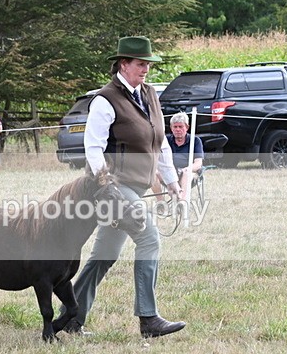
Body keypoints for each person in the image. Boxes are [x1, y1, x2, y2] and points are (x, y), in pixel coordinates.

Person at [59, 36, 186, 338]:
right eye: (141, 64)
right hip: (113, 188)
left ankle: (70, 317)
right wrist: (105, 185)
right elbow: (93, 147)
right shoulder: (105, 100)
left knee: (105, 253)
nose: (146, 69)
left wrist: (171, 183)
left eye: (148, 65)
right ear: (124, 64)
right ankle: (148, 318)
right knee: (149, 239)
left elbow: (160, 144)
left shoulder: (150, 94)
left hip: (136, 186)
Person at [151, 111, 204, 201]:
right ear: (171, 128)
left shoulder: (195, 140)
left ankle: (182, 202)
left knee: (186, 173)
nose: (178, 129)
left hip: (188, 173)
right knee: (153, 173)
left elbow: (198, 163)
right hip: (170, 173)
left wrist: (188, 168)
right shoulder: (166, 141)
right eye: (175, 127)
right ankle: (161, 202)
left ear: (187, 127)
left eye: (180, 127)